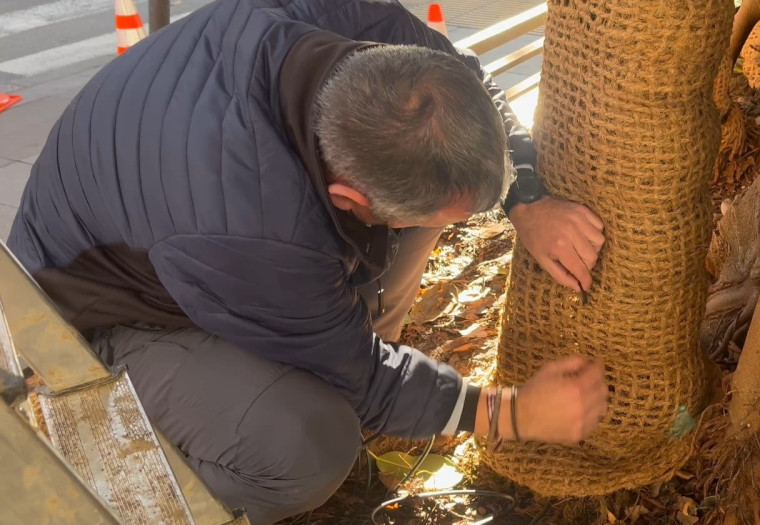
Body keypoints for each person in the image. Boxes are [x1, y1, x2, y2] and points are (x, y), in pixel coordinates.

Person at [5, 0, 609, 522]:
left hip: (167, 237)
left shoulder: (356, 30)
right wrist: (511, 413)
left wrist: (524, 195)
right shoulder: (255, 230)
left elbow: (467, 82)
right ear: (346, 196)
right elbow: (365, 376)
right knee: (308, 446)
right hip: (91, 319)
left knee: (415, 223)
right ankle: (138, 496)